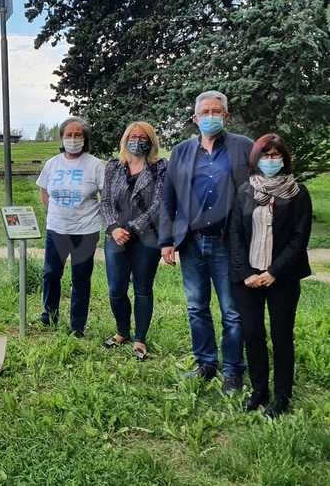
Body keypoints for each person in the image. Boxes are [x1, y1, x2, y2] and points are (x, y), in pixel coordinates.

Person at [159, 90, 252, 393]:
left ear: (226, 115)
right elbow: (168, 198)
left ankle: (234, 370)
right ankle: (206, 363)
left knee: (232, 310)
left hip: (229, 243)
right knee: (197, 307)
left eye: (217, 111)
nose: (211, 117)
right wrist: (167, 240)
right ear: (194, 118)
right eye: (205, 112)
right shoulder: (182, 151)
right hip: (191, 243)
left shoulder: (243, 148)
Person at [228, 134, 312, 417]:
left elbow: (299, 239)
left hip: (282, 278)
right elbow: (235, 235)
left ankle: (282, 396)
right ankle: (259, 390)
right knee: (252, 334)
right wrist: (247, 273)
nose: (271, 160)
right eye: (265, 155)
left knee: (281, 335)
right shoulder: (245, 191)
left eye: (276, 155)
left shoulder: (297, 193)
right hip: (248, 278)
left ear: (284, 159)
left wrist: (273, 272)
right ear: (256, 159)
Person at [101, 122, 167, 359]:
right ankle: (122, 331)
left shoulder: (160, 168)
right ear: (125, 139)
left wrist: (131, 227)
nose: (137, 140)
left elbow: (160, 203)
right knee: (116, 289)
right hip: (115, 237)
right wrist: (113, 228)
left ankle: (139, 338)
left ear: (150, 141)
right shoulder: (113, 167)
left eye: (142, 137)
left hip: (147, 238)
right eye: (132, 136)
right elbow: (105, 201)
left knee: (142, 289)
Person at [36, 117, 105, 338]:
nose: (73, 139)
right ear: (62, 137)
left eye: (78, 135)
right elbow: (44, 191)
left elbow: (106, 197)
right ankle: (49, 315)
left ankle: (77, 326)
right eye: (69, 135)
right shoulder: (52, 163)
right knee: (51, 273)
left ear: (85, 139)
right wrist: (55, 212)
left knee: (80, 278)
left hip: (85, 230)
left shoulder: (95, 165)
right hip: (57, 228)